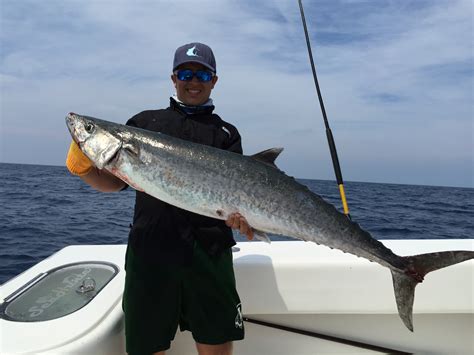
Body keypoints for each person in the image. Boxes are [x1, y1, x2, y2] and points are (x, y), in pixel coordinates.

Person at [66, 42, 253, 355]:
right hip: (150, 250)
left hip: (210, 251)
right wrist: (84, 168)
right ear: (174, 78)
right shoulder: (143, 123)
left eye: (202, 75)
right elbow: (115, 184)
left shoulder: (226, 133)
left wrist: (241, 218)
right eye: (186, 73)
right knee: (146, 346)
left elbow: (235, 195)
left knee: (216, 342)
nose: (193, 81)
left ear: (214, 81)